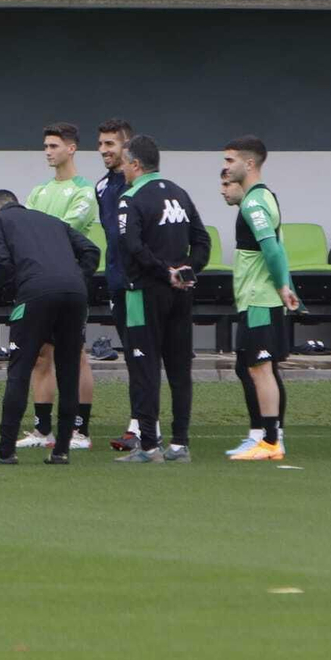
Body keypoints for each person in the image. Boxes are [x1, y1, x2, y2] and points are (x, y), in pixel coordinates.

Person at [0, 190, 101, 466]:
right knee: (68, 369)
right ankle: (61, 451)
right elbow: (92, 250)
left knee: (20, 369)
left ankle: (6, 451)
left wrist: (18, 286)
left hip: (34, 293)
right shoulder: (52, 221)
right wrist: (76, 278)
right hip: (75, 294)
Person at [115, 135, 211, 464]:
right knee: (179, 368)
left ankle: (149, 447)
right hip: (181, 293)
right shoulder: (179, 193)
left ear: (136, 164)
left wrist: (162, 271)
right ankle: (180, 443)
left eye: (125, 163)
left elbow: (132, 245)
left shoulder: (130, 198)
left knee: (144, 368)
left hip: (144, 293)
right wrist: (186, 269)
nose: (123, 169)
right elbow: (202, 240)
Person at [16, 123, 98, 452]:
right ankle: (42, 429)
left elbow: (63, 230)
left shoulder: (84, 191)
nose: (48, 152)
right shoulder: (39, 192)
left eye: (53, 146)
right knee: (40, 356)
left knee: (75, 354)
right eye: (45, 146)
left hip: (71, 281)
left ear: (71, 148)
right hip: (40, 283)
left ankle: (80, 430)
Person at [220, 137, 300, 462]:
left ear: (249, 164)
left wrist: (283, 286)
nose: (225, 168)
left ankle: (270, 442)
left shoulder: (254, 203)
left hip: (259, 299)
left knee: (260, 368)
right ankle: (266, 437)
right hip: (256, 299)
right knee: (253, 366)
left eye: (230, 161)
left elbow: (271, 247)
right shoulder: (260, 198)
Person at [94, 118, 144, 450]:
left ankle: (142, 428)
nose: (103, 151)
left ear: (126, 146)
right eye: (100, 144)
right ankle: (138, 424)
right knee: (131, 354)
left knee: (144, 354)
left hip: (141, 284)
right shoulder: (101, 187)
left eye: (110, 144)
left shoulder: (143, 186)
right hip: (116, 281)